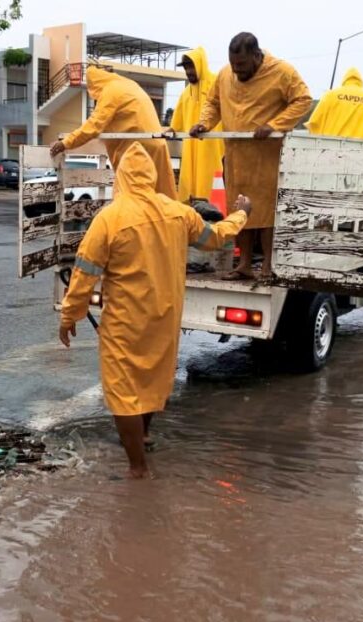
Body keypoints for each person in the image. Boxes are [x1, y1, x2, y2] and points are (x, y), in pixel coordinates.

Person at [58, 143, 252, 479]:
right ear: (152, 177)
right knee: (151, 380)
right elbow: (217, 238)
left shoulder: (110, 219)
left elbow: (84, 271)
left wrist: (69, 314)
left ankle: (137, 468)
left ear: (121, 178)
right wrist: (242, 213)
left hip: (125, 319)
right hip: (164, 315)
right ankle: (144, 435)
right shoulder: (177, 213)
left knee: (123, 392)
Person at [191, 32, 312, 280]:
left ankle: (268, 265)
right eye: (234, 64)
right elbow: (213, 103)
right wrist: (204, 124)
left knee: (266, 213)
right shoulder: (226, 74)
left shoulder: (282, 72)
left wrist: (275, 124)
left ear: (257, 56)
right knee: (239, 212)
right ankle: (244, 264)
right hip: (235, 157)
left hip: (266, 157)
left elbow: (302, 100)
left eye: (243, 65)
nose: (238, 71)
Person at [50, 66, 177, 200]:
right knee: (162, 195)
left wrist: (66, 142)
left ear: (94, 85)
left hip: (136, 149)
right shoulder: (129, 84)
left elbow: (94, 124)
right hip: (157, 145)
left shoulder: (110, 91)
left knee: (132, 196)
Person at [167, 47, 225, 204]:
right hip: (190, 150)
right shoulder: (186, 93)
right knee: (190, 188)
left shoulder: (217, 84)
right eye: (186, 67)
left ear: (200, 64)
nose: (188, 71)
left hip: (213, 149)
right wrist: (169, 131)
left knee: (213, 186)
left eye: (191, 66)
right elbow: (176, 123)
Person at [306, 67, 363, 141]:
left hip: (331, 145)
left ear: (344, 79)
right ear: (360, 81)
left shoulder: (330, 95)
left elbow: (314, 123)